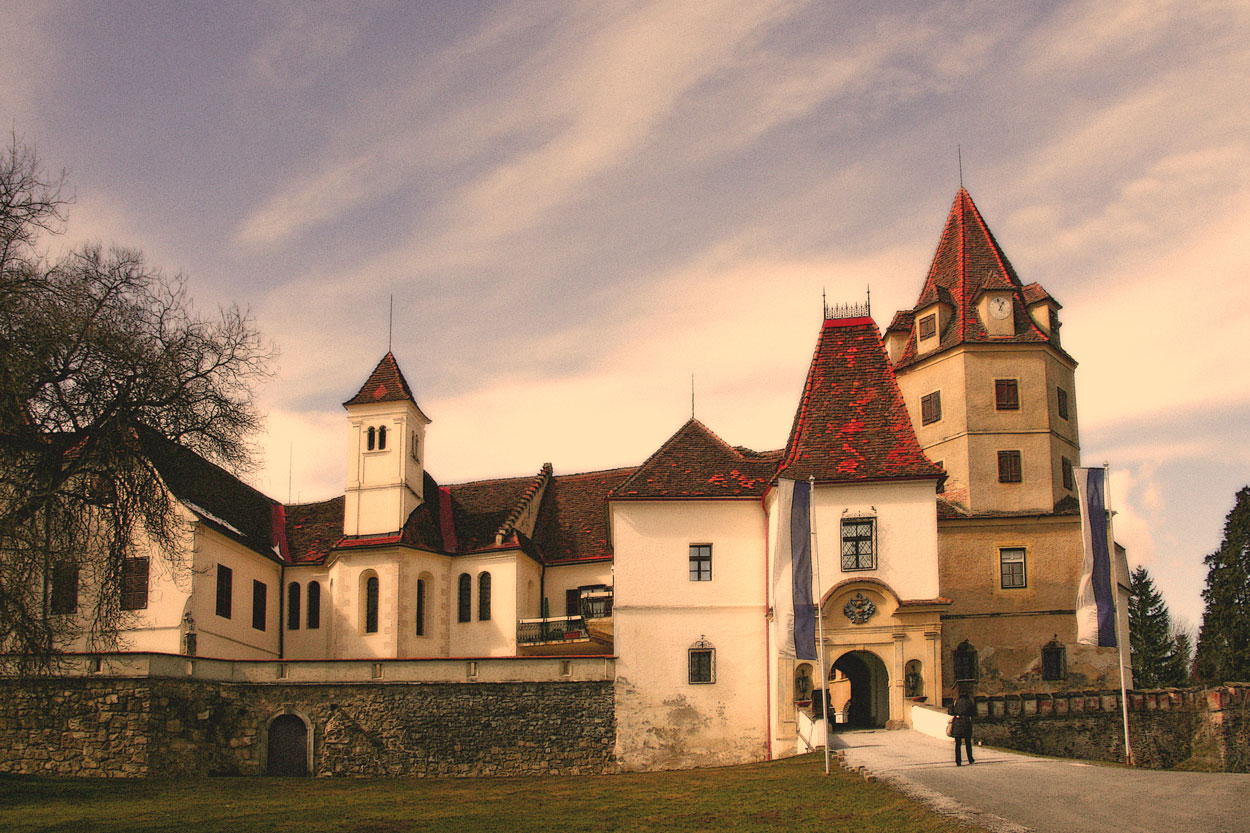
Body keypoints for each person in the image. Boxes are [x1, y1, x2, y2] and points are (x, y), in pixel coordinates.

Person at [948, 685, 975, 766]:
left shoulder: (956, 702)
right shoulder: (969, 702)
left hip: (958, 723)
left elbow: (950, 712)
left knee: (958, 744)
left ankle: (958, 761)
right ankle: (970, 759)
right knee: (968, 742)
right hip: (966, 722)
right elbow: (974, 713)